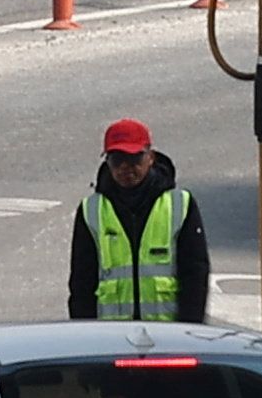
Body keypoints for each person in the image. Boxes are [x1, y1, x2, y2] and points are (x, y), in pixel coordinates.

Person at [69, 117, 209, 322]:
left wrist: (189, 331)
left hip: (168, 336)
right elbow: (81, 283)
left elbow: (195, 276)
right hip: (112, 337)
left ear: (150, 157)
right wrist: (86, 337)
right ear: (107, 162)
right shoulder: (91, 211)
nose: (126, 167)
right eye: (117, 160)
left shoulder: (180, 204)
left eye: (134, 158)